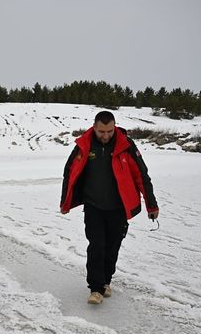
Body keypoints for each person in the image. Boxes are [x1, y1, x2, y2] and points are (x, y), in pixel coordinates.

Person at [60, 110, 159, 305]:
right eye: (101, 132)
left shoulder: (126, 146)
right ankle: (95, 288)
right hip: (93, 206)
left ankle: (105, 282)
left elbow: (142, 175)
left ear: (114, 128)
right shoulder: (84, 145)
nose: (105, 136)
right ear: (94, 128)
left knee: (112, 247)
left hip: (119, 208)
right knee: (96, 245)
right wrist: (65, 202)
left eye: (109, 131)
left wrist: (151, 204)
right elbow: (69, 172)